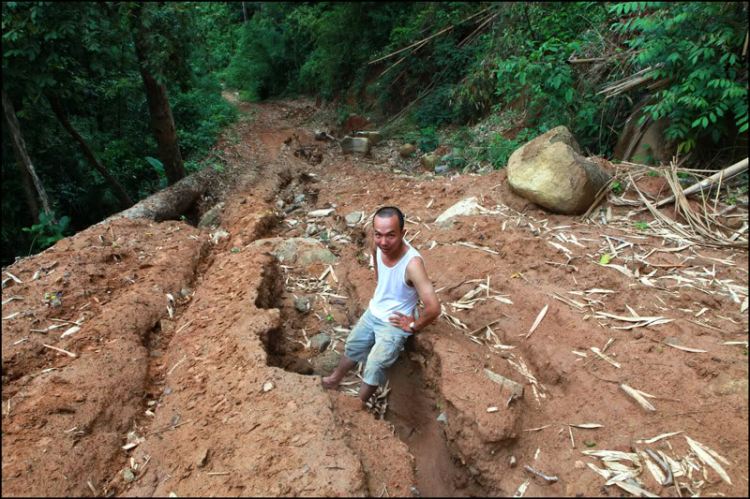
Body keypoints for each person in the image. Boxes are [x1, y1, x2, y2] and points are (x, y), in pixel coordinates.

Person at [322, 206, 440, 408]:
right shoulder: (377, 246)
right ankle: (334, 380)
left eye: (390, 236)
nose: (383, 242)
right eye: (378, 235)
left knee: (375, 364)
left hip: (394, 321)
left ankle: (358, 406)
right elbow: (379, 272)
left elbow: (434, 308)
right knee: (353, 345)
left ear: (403, 234)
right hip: (374, 310)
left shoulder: (412, 265)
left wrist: (413, 325)